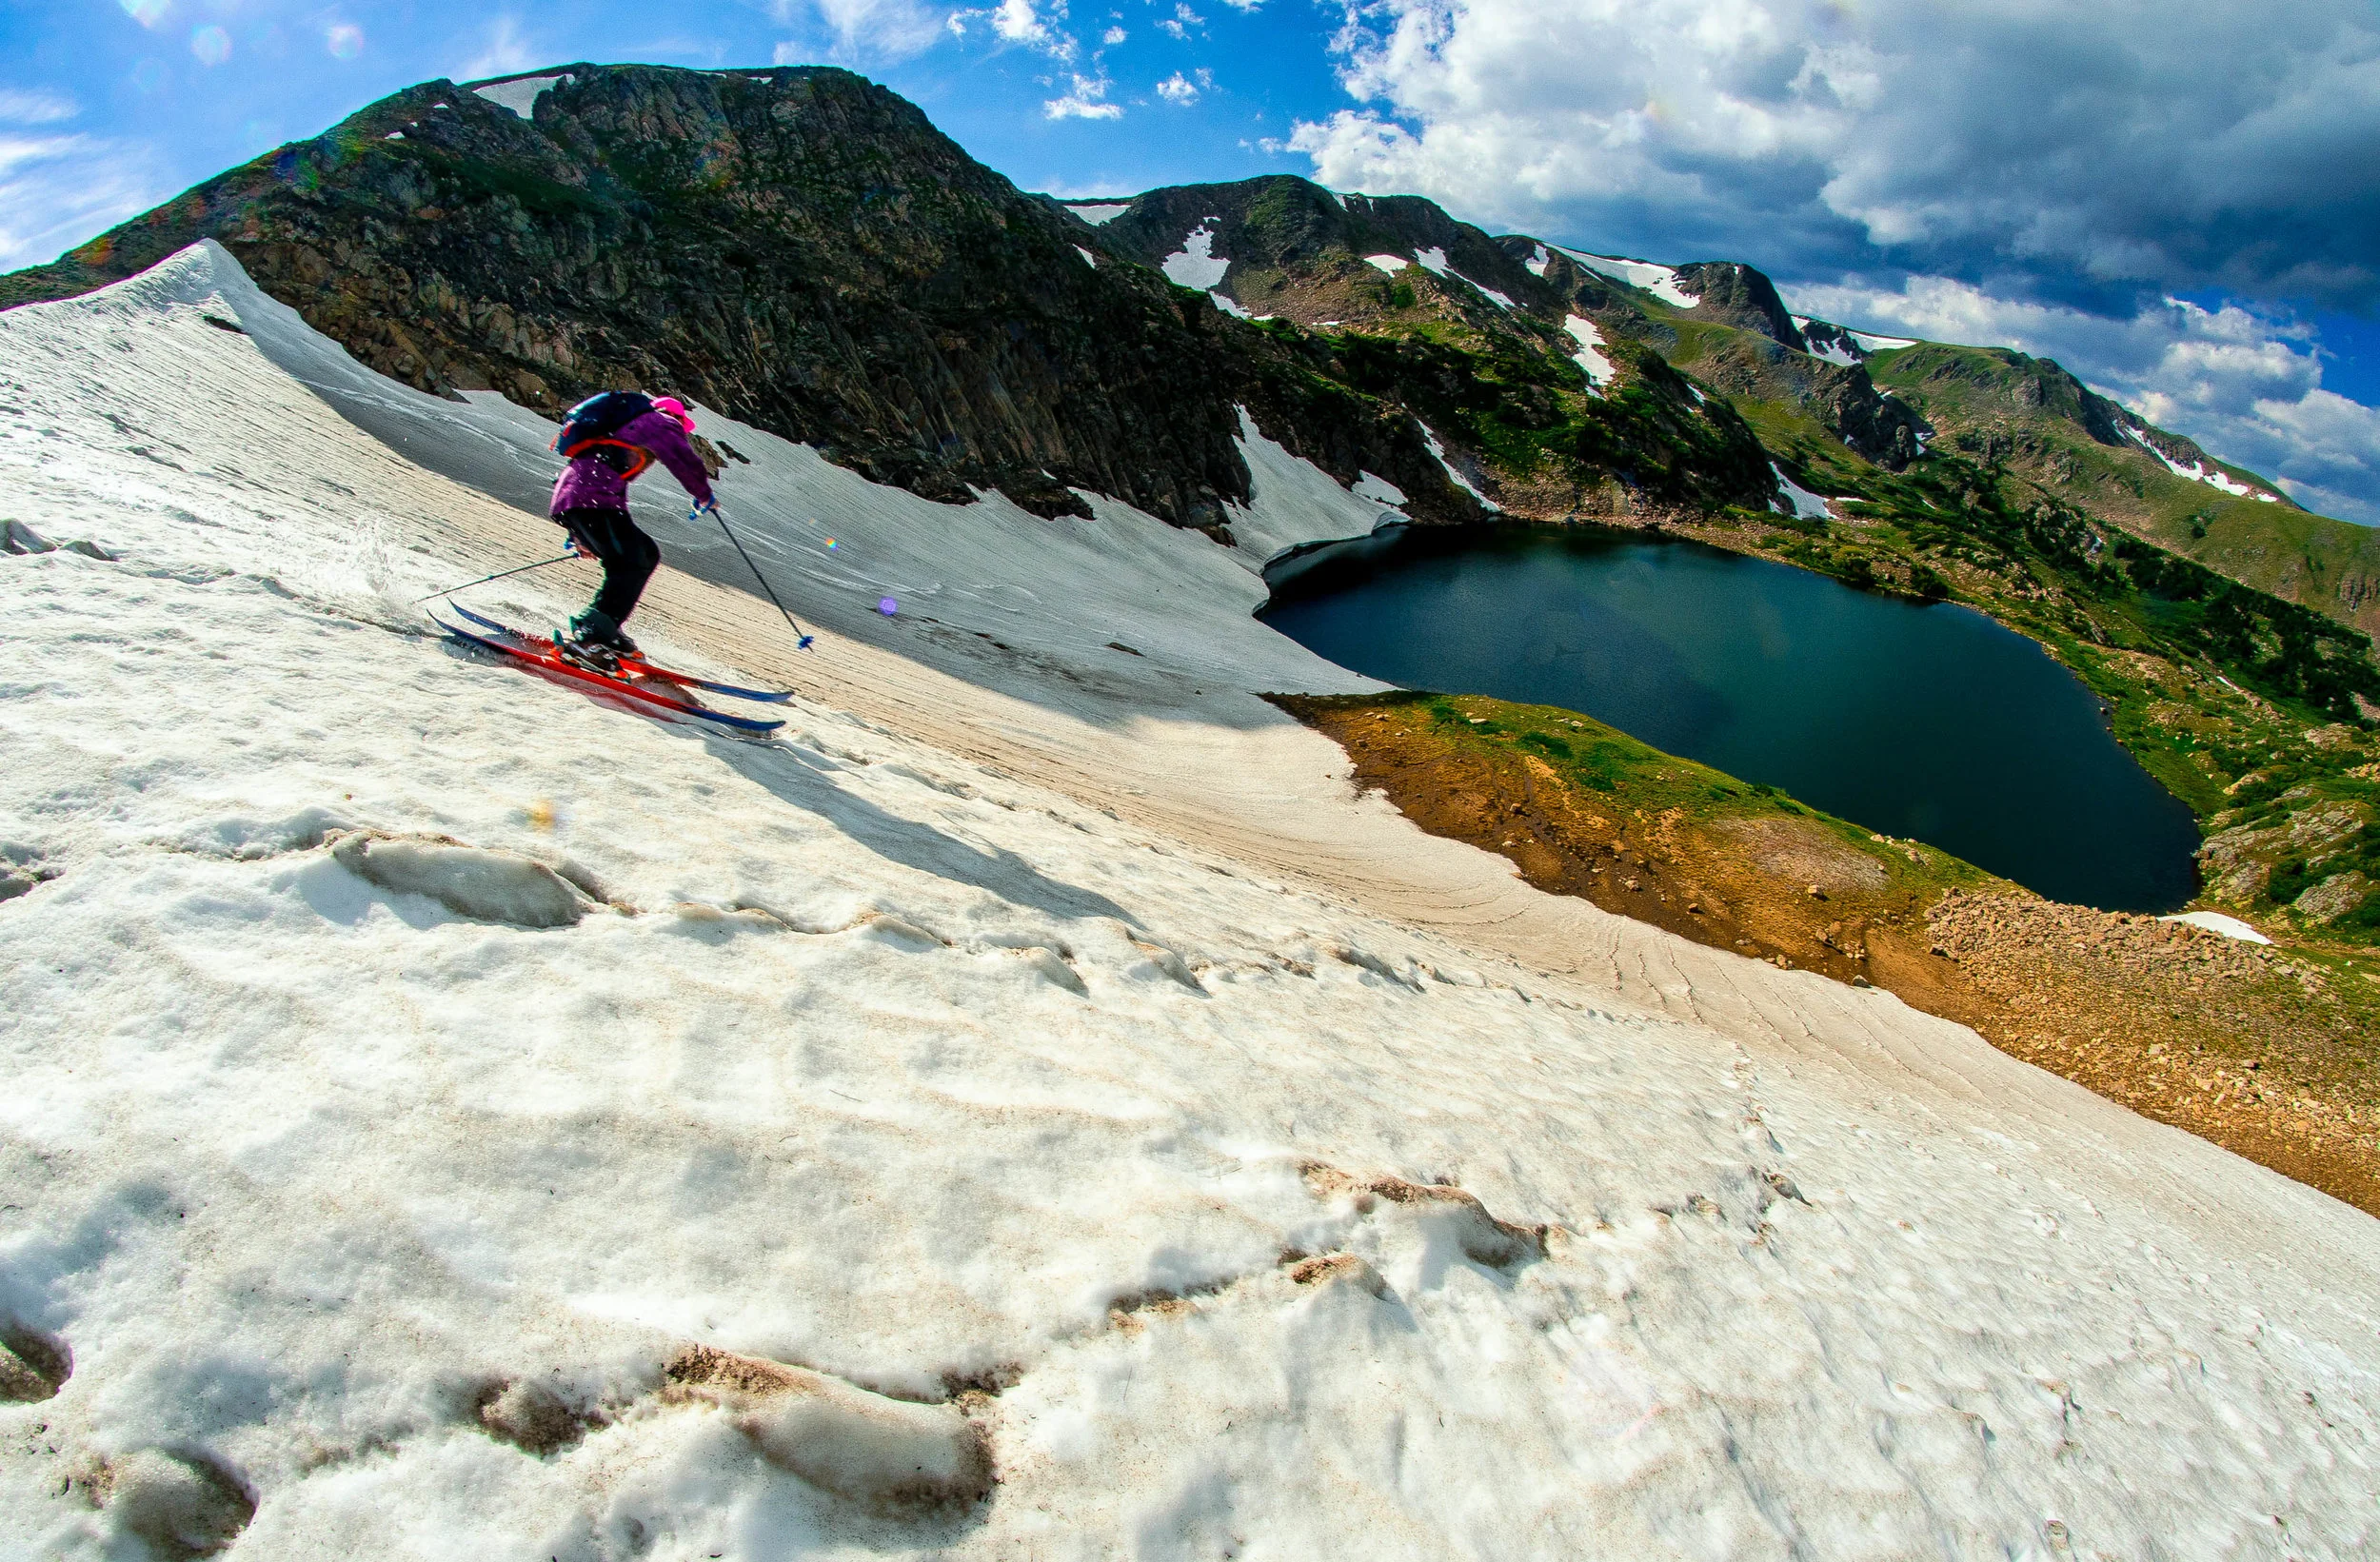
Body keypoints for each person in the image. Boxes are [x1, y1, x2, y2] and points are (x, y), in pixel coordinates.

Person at [547, 392, 717, 670]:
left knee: (645, 553)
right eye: (683, 427)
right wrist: (703, 494)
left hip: (583, 500)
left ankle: (606, 630)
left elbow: (590, 474)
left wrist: (579, 536)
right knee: (631, 560)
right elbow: (682, 459)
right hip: (592, 502)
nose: (681, 433)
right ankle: (589, 640)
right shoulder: (660, 421)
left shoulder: (621, 432)